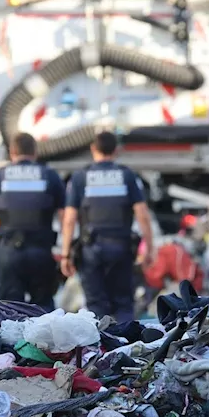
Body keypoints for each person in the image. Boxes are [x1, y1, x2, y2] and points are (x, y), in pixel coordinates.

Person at [60, 131, 155, 324]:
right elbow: (142, 214)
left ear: (93, 149)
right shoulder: (127, 176)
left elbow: (69, 219)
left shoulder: (80, 178)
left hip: (90, 251)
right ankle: (127, 349)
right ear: (116, 150)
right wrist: (150, 248)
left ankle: (98, 351)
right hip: (121, 248)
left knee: (95, 307)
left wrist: (66, 254)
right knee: (123, 304)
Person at [0, 133, 65, 311]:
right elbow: (65, 217)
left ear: (12, 152)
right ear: (35, 151)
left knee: (7, 310)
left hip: (7, 253)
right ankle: (41, 339)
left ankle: (13, 339)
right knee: (43, 307)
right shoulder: (50, 176)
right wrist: (64, 250)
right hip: (42, 253)